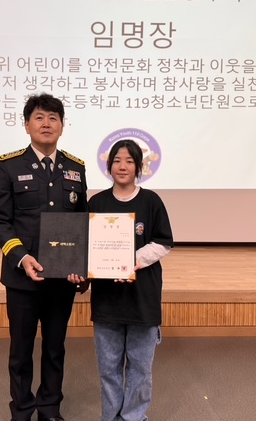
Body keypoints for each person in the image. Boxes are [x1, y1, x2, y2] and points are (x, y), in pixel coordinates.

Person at [0, 93, 88, 421]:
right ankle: (22, 410)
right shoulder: (9, 165)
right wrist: (21, 256)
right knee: (21, 350)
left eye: (53, 118)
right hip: (22, 277)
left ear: (62, 126)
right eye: (39, 118)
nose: (46, 124)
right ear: (27, 125)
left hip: (62, 278)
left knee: (55, 348)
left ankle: (49, 409)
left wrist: (82, 267)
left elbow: (81, 222)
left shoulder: (75, 168)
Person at [69, 138, 173, 421]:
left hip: (142, 300)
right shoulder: (97, 203)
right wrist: (80, 272)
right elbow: (84, 246)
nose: (122, 166)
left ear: (139, 166)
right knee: (109, 368)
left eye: (129, 161)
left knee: (140, 368)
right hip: (107, 302)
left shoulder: (151, 201)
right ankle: (111, 416)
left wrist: (130, 262)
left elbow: (163, 242)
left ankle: (134, 417)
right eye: (117, 160)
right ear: (109, 166)